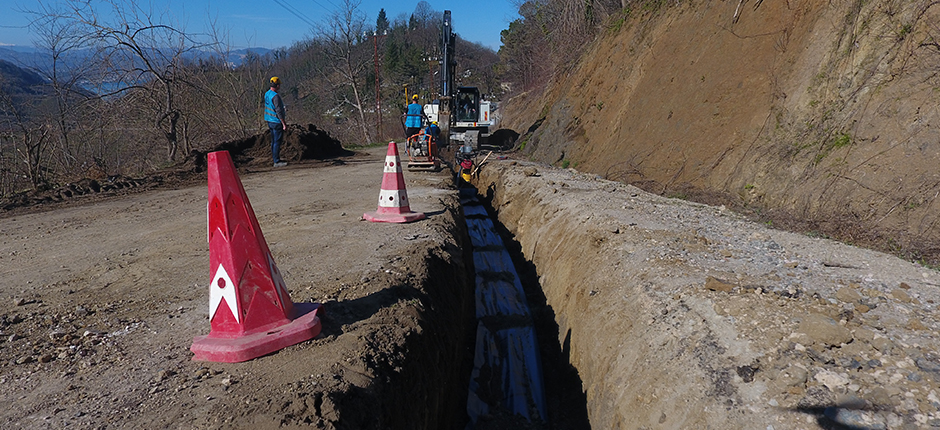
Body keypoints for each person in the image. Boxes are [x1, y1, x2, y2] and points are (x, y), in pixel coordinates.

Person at [264, 76, 288, 167]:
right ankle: (276, 161)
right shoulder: (276, 96)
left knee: (273, 141)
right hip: (276, 121)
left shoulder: (267, 94)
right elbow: (278, 111)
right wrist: (284, 123)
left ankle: (275, 158)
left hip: (269, 120)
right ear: (277, 85)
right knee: (277, 141)